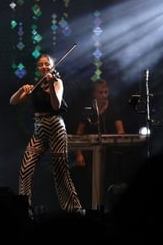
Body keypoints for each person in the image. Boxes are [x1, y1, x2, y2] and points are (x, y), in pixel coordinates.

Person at [9, 53, 83, 214]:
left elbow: (56, 105)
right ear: (37, 68)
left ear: (52, 65)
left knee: (60, 171)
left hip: (55, 127)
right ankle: (23, 208)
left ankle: (74, 211)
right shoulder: (35, 86)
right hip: (39, 130)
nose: (44, 67)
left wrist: (51, 85)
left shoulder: (57, 82)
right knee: (26, 169)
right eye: (41, 64)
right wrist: (22, 89)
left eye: (47, 64)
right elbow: (13, 101)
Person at [72, 78, 127, 211]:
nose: (104, 95)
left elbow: (121, 131)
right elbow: (79, 134)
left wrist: (115, 141)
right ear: (94, 94)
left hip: (109, 154)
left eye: (106, 92)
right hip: (90, 155)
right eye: (101, 92)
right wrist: (79, 154)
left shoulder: (113, 108)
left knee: (109, 184)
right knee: (90, 185)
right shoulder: (88, 109)